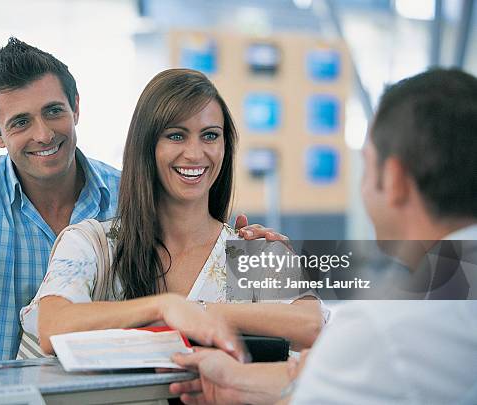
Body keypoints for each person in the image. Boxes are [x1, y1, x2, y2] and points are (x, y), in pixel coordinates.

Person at [0, 39, 280, 372]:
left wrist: (247, 248)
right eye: (20, 122)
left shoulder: (126, 190)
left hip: (97, 387)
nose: (44, 134)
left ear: (76, 107)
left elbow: (191, 236)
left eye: (54, 111)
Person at [169, 68, 477, 404]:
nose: (195, 153)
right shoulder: (452, 291)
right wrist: (238, 380)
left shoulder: (384, 330)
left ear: (394, 179)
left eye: (366, 165)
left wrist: (192, 313)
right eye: (176, 136)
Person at [20, 68, 326, 358]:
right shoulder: (92, 243)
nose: (195, 153)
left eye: (209, 136)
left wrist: (199, 311)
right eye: (176, 136)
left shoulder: (252, 251)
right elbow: (52, 326)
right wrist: (163, 308)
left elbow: (310, 326)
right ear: (147, 146)